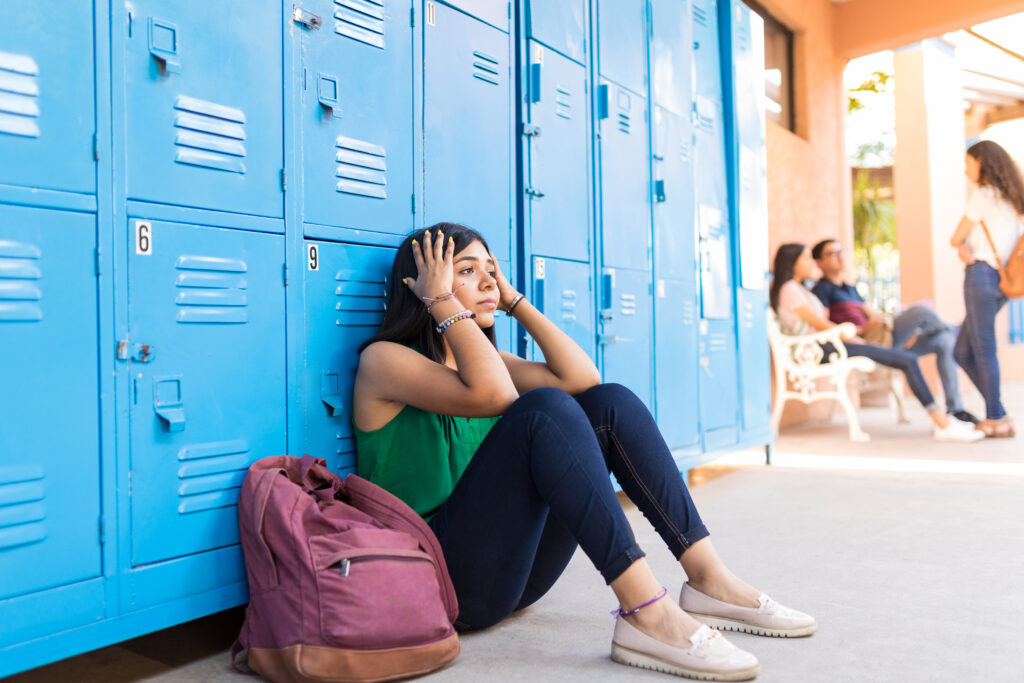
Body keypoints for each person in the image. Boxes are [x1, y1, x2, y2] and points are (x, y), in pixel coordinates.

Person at [352, 223, 817, 682]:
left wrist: (513, 301)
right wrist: (441, 301)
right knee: (543, 412)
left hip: (514, 577)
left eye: (491, 269)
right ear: (425, 285)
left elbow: (583, 378)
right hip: (443, 586)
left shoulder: (489, 363)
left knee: (607, 403)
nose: (489, 281)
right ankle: (646, 612)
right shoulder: (385, 362)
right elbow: (494, 395)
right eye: (467, 270)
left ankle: (709, 578)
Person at [770, 243, 983, 443]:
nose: (810, 263)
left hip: (831, 345)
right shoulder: (790, 289)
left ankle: (949, 418)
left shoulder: (801, 289)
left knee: (934, 345)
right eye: (806, 258)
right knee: (909, 356)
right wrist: (856, 338)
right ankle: (943, 425)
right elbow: (820, 324)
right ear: (791, 262)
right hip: (821, 349)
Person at [949, 140, 1023, 438]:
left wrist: (963, 247)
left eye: (969, 163)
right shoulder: (1012, 197)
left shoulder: (983, 195)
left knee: (982, 349)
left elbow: (956, 237)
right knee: (962, 350)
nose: (966, 170)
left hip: (981, 275)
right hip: (1004, 281)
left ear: (982, 163)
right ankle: (1000, 413)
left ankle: (994, 417)